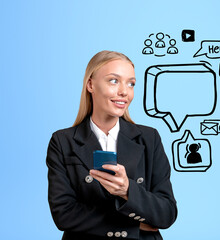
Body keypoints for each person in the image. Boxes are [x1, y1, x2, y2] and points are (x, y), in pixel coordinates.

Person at [46, 50, 177, 240]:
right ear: (90, 84)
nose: (124, 91)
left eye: (131, 83)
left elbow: (166, 214)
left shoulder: (150, 138)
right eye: (114, 80)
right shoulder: (62, 141)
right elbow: (63, 215)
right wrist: (134, 223)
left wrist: (127, 190)